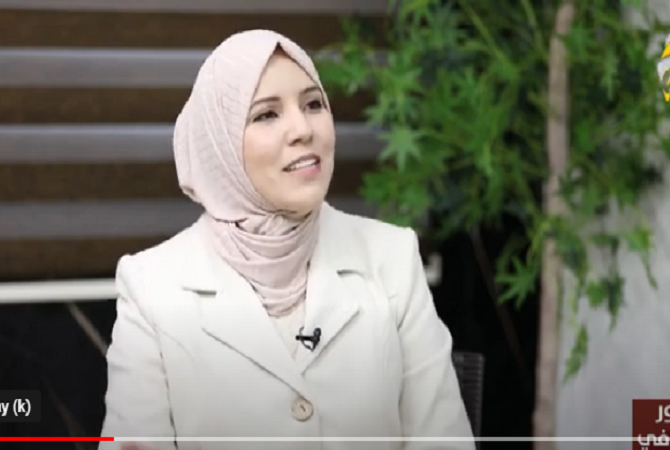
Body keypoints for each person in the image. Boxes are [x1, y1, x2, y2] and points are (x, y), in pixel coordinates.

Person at [98, 29, 475, 450]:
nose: (302, 129)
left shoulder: (392, 257)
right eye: (266, 114)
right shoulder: (151, 285)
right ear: (220, 144)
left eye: (313, 104)